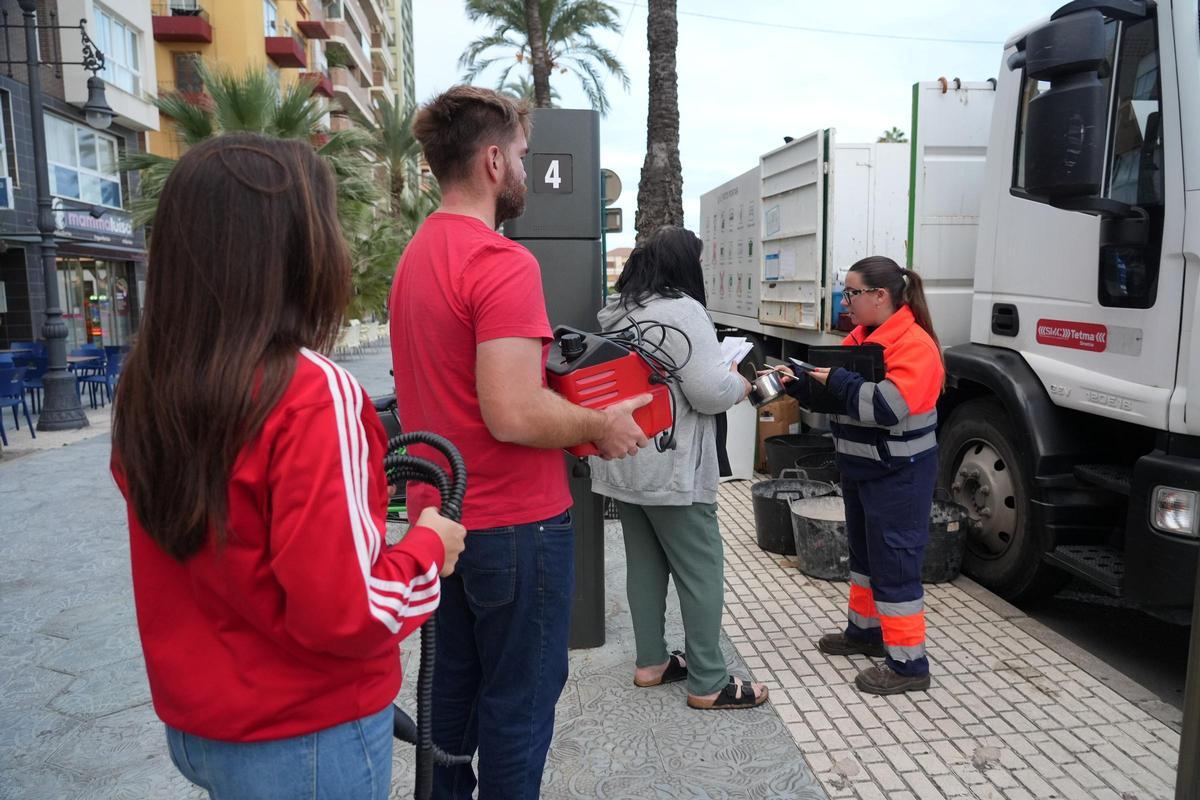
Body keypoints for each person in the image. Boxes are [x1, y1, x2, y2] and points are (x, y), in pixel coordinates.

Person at [111, 134, 468, 800]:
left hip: (201, 724)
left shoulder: (148, 381)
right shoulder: (311, 392)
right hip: (305, 732)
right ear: (297, 251)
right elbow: (347, 611)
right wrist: (427, 547)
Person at [389, 86, 649, 799]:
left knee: (451, 709)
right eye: (526, 158)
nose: (529, 174)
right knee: (518, 712)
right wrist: (600, 424)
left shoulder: (415, 260)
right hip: (516, 529)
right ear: (495, 161)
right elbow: (510, 412)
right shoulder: (500, 261)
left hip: (440, 525)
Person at [589, 226, 769, 710]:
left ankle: (651, 662)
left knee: (644, 564)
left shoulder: (617, 310)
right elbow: (709, 392)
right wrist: (741, 382)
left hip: (623, 461)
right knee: (701, 569)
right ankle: (709, 681)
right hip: (673, 464)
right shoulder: (683, 309)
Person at [771, 255, 944, 696]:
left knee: (895, 564)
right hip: (865, 469)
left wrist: (839, 382)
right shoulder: (862, 337)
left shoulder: (915, 346)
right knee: (866, 559)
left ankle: (908, 665)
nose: (844, 301)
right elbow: (838, 399)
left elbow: (885, 407)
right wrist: (800, 384)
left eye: (851, 293)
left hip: (898, 476)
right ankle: (865, 633)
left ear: (879, 296)